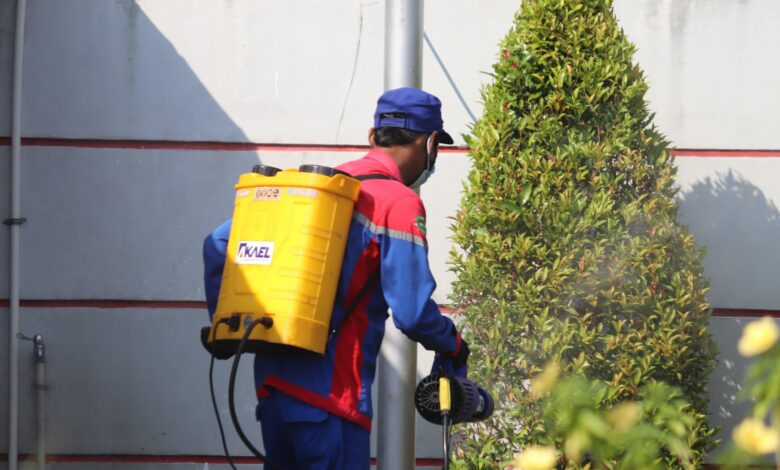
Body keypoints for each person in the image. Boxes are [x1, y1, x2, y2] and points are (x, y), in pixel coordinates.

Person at [203, 87, 469, 469]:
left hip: (273, 389)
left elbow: (217, 244)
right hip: (333, 398)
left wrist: (226, 323)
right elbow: (411, 313)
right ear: (430, 144)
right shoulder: (397, 202)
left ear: (373, 137)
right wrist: (453, 343)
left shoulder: (316, 189)